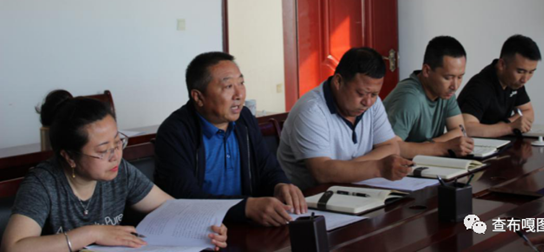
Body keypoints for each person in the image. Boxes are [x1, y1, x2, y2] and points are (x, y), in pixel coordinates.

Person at [0, 91, 227, 252]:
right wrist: (92, 233)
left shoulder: (120, 172)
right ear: (69, 157)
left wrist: (208, 225)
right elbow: (14, 247)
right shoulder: (43, 183)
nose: (115, 155)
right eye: (102, 151)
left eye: (118, 142)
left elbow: (171, 208)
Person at [154, 52, 307, 227]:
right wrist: (245, 207)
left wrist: (280, 185)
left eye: (241, 83)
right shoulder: (175, 132)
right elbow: (185, 197)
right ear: (198, 97)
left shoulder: (244, 119)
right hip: (200, 229)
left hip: (247, 225)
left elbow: (267, 167)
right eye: (228, 86)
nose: (239, 94)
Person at [277, 47, 412, 191]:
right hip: (309, 198)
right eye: (361, 93)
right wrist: (378, 167)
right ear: (338, 81)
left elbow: (391, 147)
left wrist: (349, 169)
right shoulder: (310, 111)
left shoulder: (373, 104)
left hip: (353, 190)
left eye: (374, 94)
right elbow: (322, 172)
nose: (368, 102)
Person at [384, 36, 474, 158]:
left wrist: (429, 146)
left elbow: (459, 131)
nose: (455, 86)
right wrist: (441, 147)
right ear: (426, 70)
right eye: (448, 77)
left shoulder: (446, 92)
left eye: (460, 77)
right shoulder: (410, 98)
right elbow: (391, 148)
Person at [457, 34, 541, 137]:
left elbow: (528, 112)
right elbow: (466, 128)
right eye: (520, 71)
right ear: (502, 64)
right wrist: (509, 127)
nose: (525, 79)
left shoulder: (515, 82)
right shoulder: (480, 87)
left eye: (531, 72)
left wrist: (507, 122)